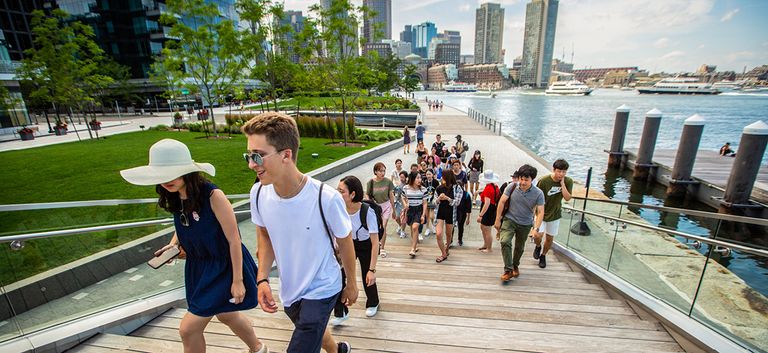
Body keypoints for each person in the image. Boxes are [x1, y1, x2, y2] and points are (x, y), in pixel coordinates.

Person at [120, 139, 267, 353]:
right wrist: (172, 246)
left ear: (187, 171)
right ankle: (259, 348)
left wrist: (238, 281)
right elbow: (182, 225)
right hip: (199, 267)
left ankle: (258, 348)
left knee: (188, 329)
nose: (166, 181)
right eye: (161, 176)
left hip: (223, 267)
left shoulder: (213, 195)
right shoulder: (175, 196)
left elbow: (234, 240)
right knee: (227, 314)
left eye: (172, 174)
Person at [244, 112, 357, 353]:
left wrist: (352, 284)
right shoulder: (258, 194)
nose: (252, 164)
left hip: (323, 285)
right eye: (249, 156)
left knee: (304, 339)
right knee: (313, 330)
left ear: (286, 155)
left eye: (258, 156)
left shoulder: (325, 198)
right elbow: (264, 236)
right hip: (291, 290)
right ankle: (339, 350)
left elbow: (346, 242)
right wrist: (262, 278)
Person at [332, 176, 380, 325]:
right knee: (339, 276)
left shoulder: (367, 212)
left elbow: (375, 242)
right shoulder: (338, 209)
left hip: (366, 245)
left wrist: (372, 269)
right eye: (337, 190)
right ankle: (340, 312)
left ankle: (373, 302)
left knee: (367, 276)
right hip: (349, 244)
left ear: (353, 194)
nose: (338, 194)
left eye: (342, 191)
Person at [494, 164, 545, 282]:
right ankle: (508, 270)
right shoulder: (512, 187)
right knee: (505, 241)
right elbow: (502, 202)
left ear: (532, 180)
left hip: (526, 223)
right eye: (521, 179)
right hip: (509, 219)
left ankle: (515, 265)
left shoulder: (538, 193)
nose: (522, 182)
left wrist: (536, 228)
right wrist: (497, 219)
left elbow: (541, 211)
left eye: (526, 180)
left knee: (519, 247)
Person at [533, 159, 573, 268]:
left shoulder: (568, 181)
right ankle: (537, 246)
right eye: (559, 171)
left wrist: (563, 184)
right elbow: (536, 197)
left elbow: (567, 198)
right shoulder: (544, 181)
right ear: (554, 170)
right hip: (541, 213)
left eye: (564, 172)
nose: (561, 174)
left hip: (555, 214)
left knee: (550, 238)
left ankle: (543, 255)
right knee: (537, 235)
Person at [366, 162, 395, 258]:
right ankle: (376, 244)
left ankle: (382, 248)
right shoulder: (371, 182)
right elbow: (367, 195)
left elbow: (391, 195)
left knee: (383, 226)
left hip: (386, 206)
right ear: (375, 171)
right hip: (376, 207)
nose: (382, 173)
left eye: (384, 171)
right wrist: (370, 204)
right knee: (377, 227)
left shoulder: (388, 182)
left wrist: (394, 209)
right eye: (380, 171)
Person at [435, 171, 462, 263]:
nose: (441, 178)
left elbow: (457, 202)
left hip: (451, 213)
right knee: (438, 233)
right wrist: (439, 198)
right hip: (440, 213)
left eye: (443, 176)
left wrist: (447, 198)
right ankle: (443, 254)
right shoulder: (439, 188)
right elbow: (434, 202)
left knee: (449, 234)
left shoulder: (457, 188)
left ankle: (446, 249)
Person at [402, 171, 428, 257]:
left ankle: (413, 249)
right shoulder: (406, 188)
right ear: (412, 179)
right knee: (412, 229)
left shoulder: (423, 189)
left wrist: (423, 215)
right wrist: (405, 204)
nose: (419, 180)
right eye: (417, 178)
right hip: (410, 210)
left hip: (419, 210)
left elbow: (425, 203)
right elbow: (403, 197)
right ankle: (415, 245)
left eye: (420, 178)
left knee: (415, 227)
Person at [477, 170, 501, 253]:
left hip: (488, 209)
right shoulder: (495, 186)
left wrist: (480, 215)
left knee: (487, 229)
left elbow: (487, 203)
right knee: (483, 227)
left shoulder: (488, 188)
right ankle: (486, 244)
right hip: (492, 208)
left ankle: (489, 248)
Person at [422, 169, 440, 237]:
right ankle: (427, 228)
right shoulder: (424, 182)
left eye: (430, 174)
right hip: (426, 200)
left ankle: (433, 226)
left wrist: (437, 199)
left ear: (432, 174)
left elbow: (438, 191)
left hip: (433, 200)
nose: (428, 176)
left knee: (432, 216)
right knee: (427, 216)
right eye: (427, 174)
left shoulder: (436, 182)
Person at [393, 170, 408, 238]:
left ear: (406, 177)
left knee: (403, 218)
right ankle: (400, 225)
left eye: (403, 177)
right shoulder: (398, 184)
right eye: (400, 177)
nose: (401, 179)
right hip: (398, 202)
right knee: (396, 217)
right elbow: (395, 193)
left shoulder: (408, 185)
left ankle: (402, 231)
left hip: (405, 203)